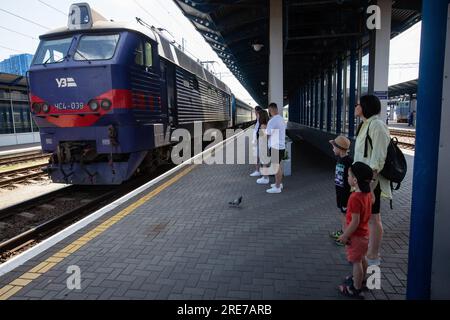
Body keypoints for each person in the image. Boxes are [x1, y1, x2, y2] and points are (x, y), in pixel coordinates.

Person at [354, 95, 391, 266]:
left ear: (365, 107)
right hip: (362, 180)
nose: (355, 107)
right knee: (367, 218)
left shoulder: (377, 125)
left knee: (374, 219)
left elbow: (378, 158)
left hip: (371, 181)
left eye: (358, 104)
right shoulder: (365, 124)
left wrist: (369, 184)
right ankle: (367, 252)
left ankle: (374, 257)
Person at [337, 162, 373, 299]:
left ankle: (355, 289)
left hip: (356, 236)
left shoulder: (354, 198)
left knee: (356, 262)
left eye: (349, 176)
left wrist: (345, 236)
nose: (347, 178)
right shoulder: (367, 194)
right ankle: (362, 279)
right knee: (361, 258)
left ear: (355, 180)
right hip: (365, 234)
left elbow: (355, 221)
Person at [329, 135, 353, 246]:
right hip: (339, 192)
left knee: (345, 215)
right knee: (342, 213)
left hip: (346, 193)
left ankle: (346, 237)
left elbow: (350, 179)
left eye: (334, 147)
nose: (333, 149)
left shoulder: (348, 161)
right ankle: (343, 231)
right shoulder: (340, 158)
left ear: (340, 149)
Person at [261, 103, 286, 194]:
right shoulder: (281, 119)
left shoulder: (272, 121)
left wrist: (263, 130)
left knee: (276, 167)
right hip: (281, 146)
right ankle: (279, 183)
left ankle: (277, 187)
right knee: (278, 165)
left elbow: (267, 134)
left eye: (269, 111)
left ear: (270, 110)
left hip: (275, 147)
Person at [250, 106, 263, 177]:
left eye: (255, 112)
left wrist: (257, 142)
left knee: (256, 157)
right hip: (256, 142)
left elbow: (261, 134)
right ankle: (258, 170)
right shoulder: (258, 121)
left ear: (257, 112)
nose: (255, 113)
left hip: (258, 143)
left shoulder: (261, 122)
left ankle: (258, 171)